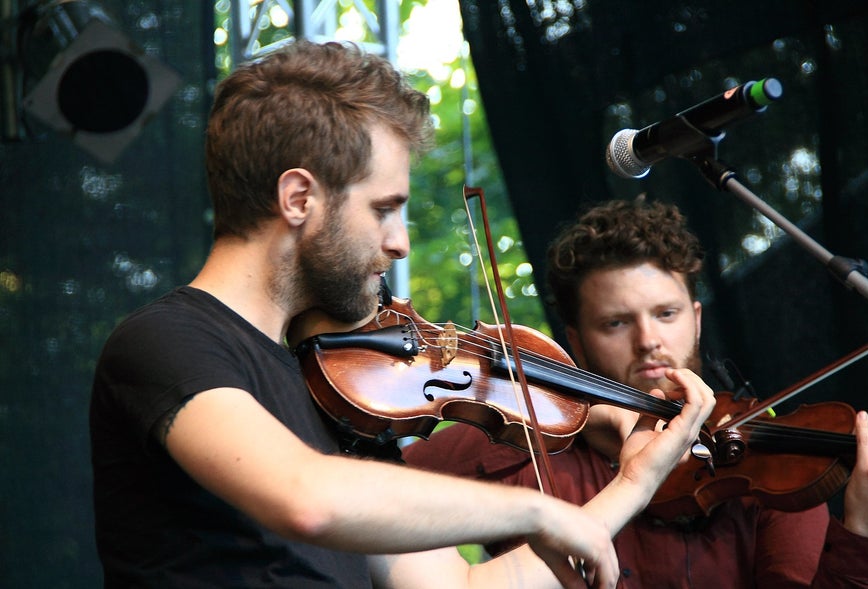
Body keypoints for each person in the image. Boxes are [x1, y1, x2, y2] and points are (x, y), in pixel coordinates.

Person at [88, 41, 718, 589]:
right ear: (299, 197)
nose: (400, 242)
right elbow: (304, 498)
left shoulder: (339, 392)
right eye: (384, 208)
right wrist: (539, 512)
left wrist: (633, 483)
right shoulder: (164, 343)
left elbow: (465, 586)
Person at [403, 198, 868, 588]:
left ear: (696, 319)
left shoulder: (766, 459)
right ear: (576, 339)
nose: (648, 340)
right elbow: (370, 504)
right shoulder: (519, 433)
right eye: (616, 322)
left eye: (666, 314)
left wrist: (864, 536)